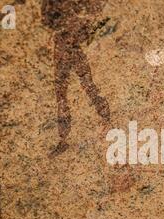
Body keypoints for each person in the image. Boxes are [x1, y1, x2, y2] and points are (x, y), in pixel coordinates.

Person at [41, 0, 111, 156]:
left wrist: (80, 24)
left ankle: (108, 121)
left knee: (82, 88)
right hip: (63, 46)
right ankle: (64, 139)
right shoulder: (52, 4)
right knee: (66, 93)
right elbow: (46, 20)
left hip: (68, 47)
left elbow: (94, 11)